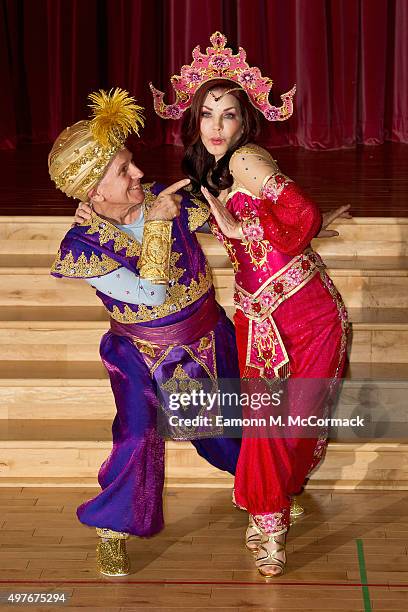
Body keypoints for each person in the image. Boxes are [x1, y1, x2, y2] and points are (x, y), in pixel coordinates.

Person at [149, 32, 351, 577]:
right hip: (262, 314)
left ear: (246, 124)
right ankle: (273, 507)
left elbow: (301, 217)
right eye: (208, 115)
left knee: (274, 421)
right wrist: (261, 227)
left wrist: (258, 229)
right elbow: (288, 221)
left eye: (229, 116)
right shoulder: (217, 168)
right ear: (195, 122)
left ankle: (270, 524)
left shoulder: (246, 160)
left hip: (304, 314)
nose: (216, 127)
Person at [48, 87, 242, 577]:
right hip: (140, 351)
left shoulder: (165, 198)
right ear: (95, 193)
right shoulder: (84, 246)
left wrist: (302, 224)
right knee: (135, 435)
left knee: (222, 433)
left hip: (204, 340)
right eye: (123, 171)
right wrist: (156, 226)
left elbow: (235, 226)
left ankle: (266, 492)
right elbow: (150, 296)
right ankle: (113, 530)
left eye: (132, 163)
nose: (138, 174)